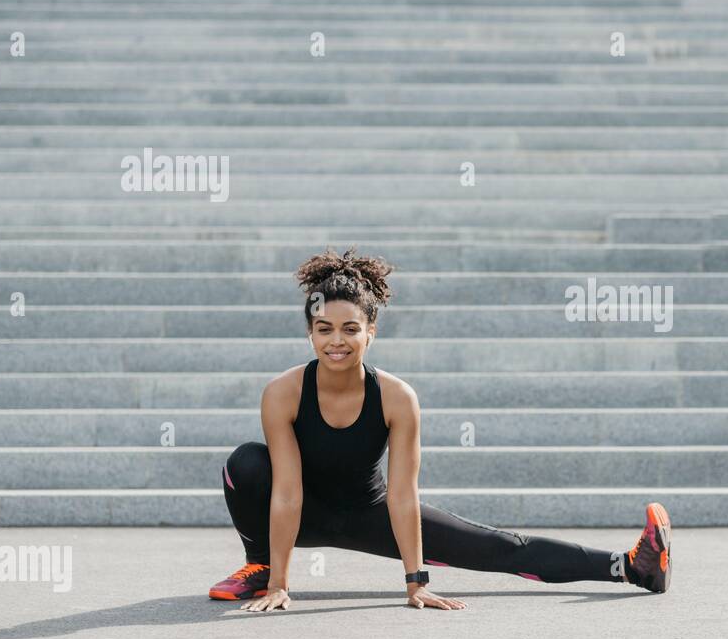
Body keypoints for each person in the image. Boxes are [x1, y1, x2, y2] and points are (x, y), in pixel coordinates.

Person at [209, 245, 671, 612]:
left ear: (371, 331)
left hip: (373, 515)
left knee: (499, 547)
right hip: (298, 513)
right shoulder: (283, 392)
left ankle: (633, 567)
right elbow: (287, 492)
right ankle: (260, 565)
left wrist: (416, 583)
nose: (336, 341)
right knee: (246, 463)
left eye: (350, 328)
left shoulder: (396, 397)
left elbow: (403, 495)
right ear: (310, 333)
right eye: (324, 328)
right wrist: (280, 585)